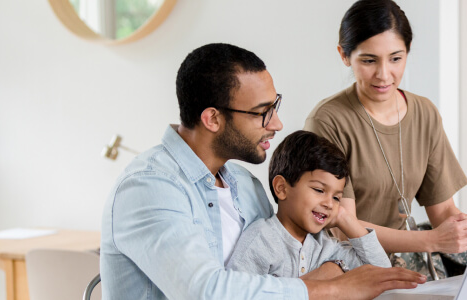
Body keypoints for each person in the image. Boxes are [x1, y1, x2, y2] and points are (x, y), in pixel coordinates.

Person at [100, 43, 425, 300]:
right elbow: (203, 292)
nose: (277, 124)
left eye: (275, 107)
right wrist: (335, 287)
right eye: (261, 113)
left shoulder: (246, 185)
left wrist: (335, 268)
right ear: (212, 119)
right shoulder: (149, 188)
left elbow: (292, 264)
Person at [303, 0, 467, 278]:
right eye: (369, 60)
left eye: (396, 58)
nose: (384, 75)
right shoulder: (328, 121)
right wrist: (432, 240)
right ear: (344, 55)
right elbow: (343, 225)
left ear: (408, 52)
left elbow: (443, 210)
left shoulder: (424, 113)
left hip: (403, 264)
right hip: (345, 267)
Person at [229, 130, 391, 277]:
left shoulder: (326, 245)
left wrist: (345, 218)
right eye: (319, 190)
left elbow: (380, 272)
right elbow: (237, 294)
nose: (329, 204)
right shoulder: (261, 240)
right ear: (282, 188)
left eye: (336, 197)